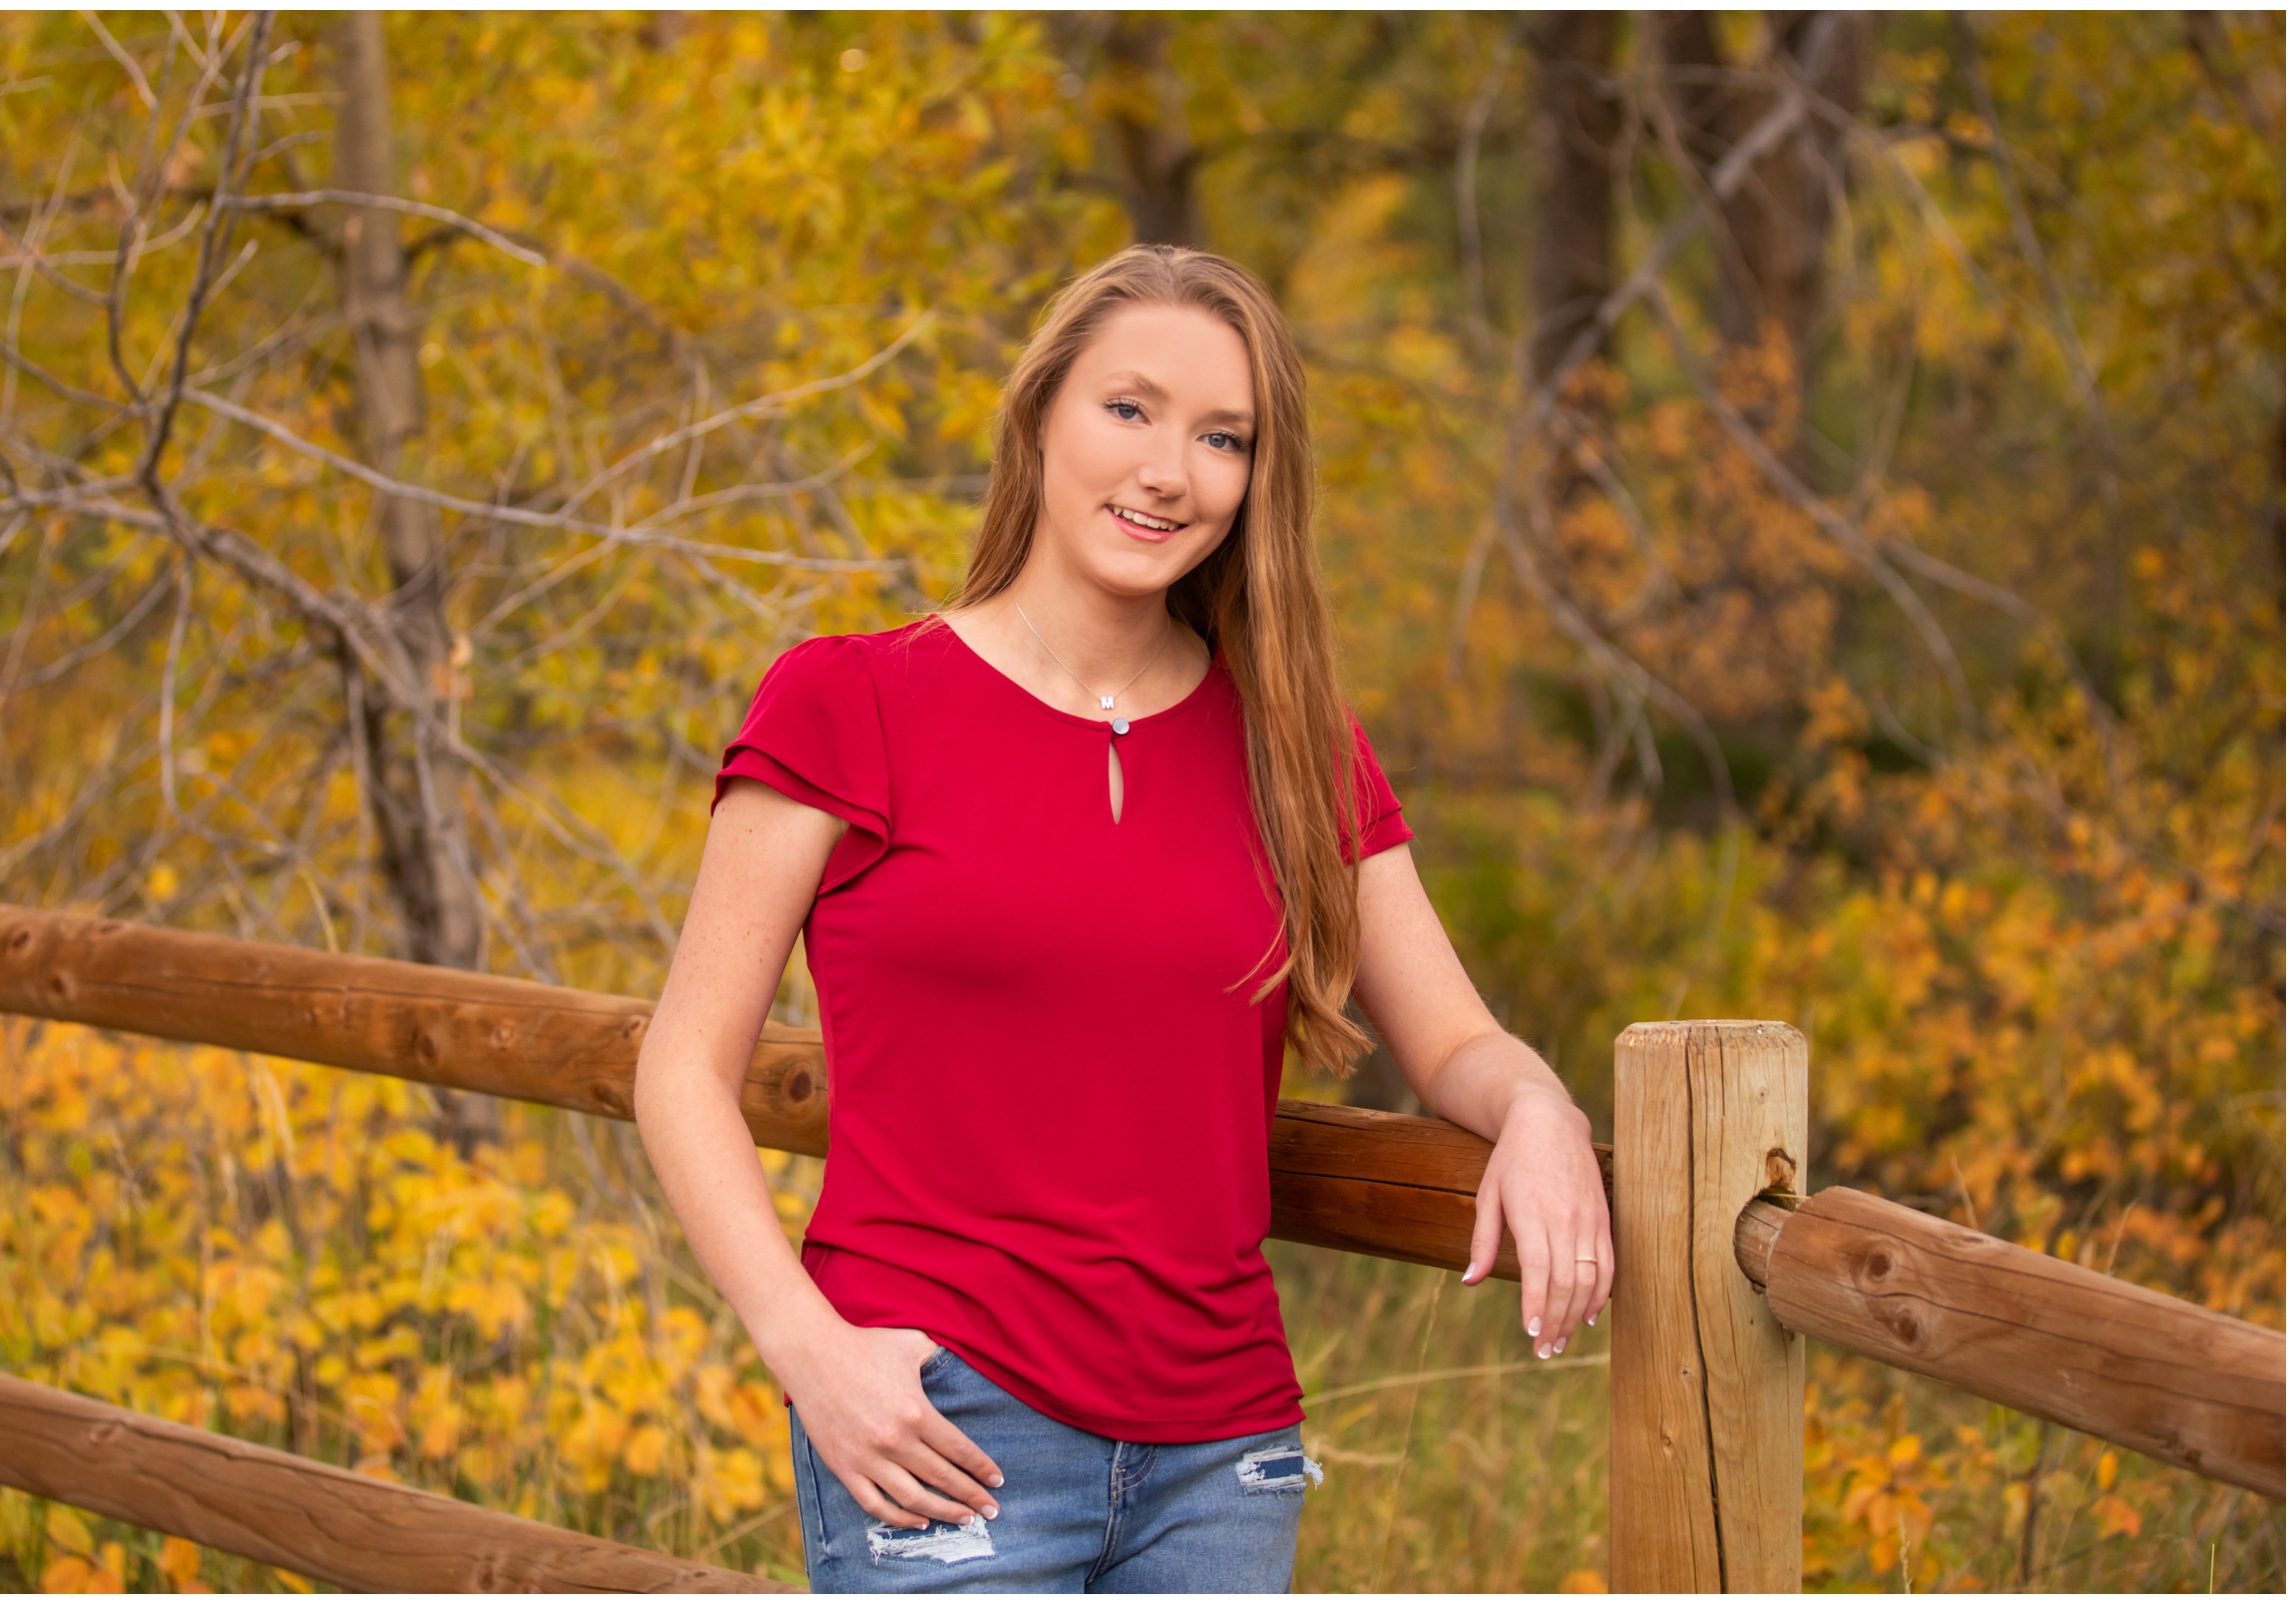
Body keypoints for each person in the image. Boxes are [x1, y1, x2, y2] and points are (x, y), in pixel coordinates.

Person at [634, 244, 1613, 1594]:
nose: (1171, 470)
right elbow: (682, 1068)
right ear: (1039, 415)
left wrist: (1544, 1114)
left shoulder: (1294, 747)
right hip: (935, 1424)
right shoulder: (848, 703)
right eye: (1130, 409)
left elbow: (1455, 1044)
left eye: (1224, 438)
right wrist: (806, 1350)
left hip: (1223, 1461)